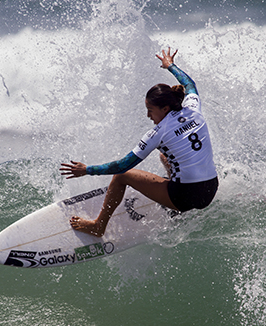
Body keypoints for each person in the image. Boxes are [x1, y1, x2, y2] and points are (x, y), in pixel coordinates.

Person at [60, 48, 218, 237]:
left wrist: (87, 170)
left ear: (165, 108)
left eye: (150, 110)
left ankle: (98, 226)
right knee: (164, 156)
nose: (148, 115)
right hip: (210, 189)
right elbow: (189, 84)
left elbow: (122, 165)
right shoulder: (193, 108)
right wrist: (170, 66)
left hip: (186, 196)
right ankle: (175, 208)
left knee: (122, 176)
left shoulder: (158, 132)